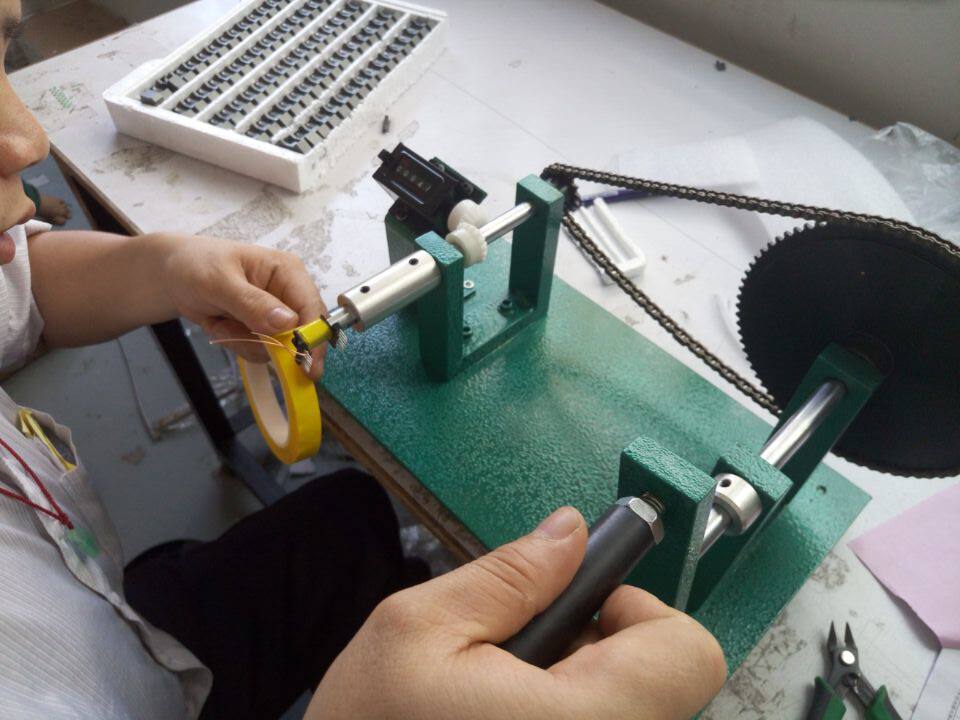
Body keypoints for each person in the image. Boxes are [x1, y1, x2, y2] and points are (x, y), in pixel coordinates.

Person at [0, 0, 726, 718]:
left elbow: (18, 294)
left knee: (353, 510)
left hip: (115, 613)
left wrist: (160, 266)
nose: (30, 143)